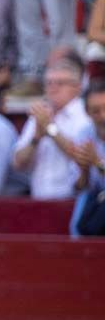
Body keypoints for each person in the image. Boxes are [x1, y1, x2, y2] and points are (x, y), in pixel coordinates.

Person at [11, 53, 93, 198]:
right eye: (49, 83)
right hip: (38, 200)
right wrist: (35, 138)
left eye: (60, 83)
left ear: (78, 87)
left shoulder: (86, 116)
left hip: (72, 200)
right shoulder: (40, 115)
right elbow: (18, 163)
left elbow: (83, 157)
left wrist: (50, 129)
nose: (53, 88)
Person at [70, 82, 105, 234]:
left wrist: (97, 162)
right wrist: (84, 170)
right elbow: (78, 187)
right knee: (83, 200)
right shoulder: (84, 134)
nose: (103, 116)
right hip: (95, 201)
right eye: (96, 111)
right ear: (87, 112)